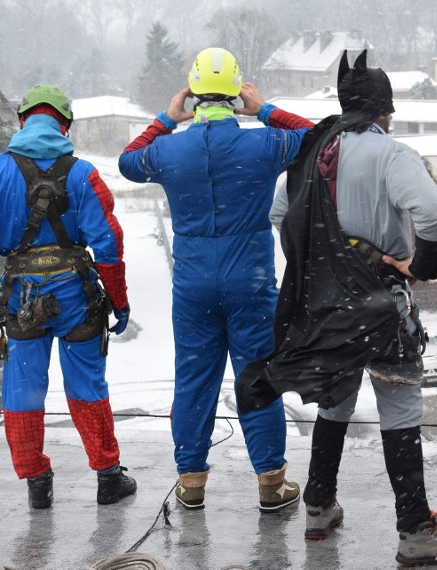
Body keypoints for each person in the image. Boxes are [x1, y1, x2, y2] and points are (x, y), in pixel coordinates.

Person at [252, 50, 437, 566]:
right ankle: (415, 528)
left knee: (336, 401)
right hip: (380, 304)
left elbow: (279, 214)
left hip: (325, 309)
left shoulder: (311, 153)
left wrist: (324, 266)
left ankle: (318, 505)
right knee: (398, 408)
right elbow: (433, 209)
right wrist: (419, 264)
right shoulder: (390, 154)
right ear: (383, 110)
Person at [118, 48, 312, 512]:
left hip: (193, 282)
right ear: (235, 93)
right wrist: (264, 109)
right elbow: (315, 137)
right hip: (251, 278)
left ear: (193, 92)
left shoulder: (167, 149)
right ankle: (270, 481)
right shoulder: (262, 144)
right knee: (258, 376)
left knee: (194, 379)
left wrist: (165, 119)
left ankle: (191, 482)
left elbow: (128, 161)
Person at [0, 84, 136, 509]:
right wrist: (119, 298)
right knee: (86, 384)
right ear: (64, 125)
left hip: (22, 299)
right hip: (77, 296)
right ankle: (108, 477)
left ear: (22, 121)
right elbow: (108, 244)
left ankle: (37, 483)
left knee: (23, 389)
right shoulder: (82, 173)